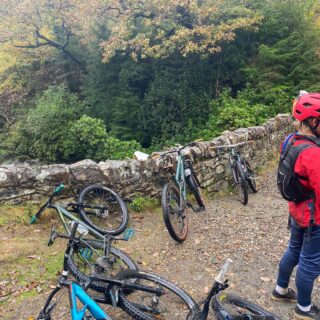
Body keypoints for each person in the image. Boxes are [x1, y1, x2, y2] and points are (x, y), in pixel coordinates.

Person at [273, 92, 320, 320]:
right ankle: (303, 308)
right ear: (313, 121)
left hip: (296, 211)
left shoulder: (291, 140)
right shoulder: (313, 154)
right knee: (310, 262)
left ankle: (280, 289)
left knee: (293, 250)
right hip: (314, 216)